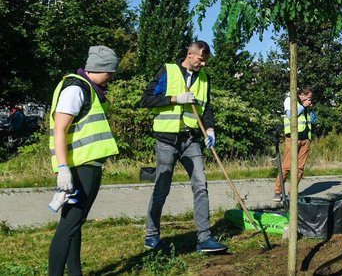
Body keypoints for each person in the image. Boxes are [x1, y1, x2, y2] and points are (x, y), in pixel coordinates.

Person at [139, 41, 227, 253]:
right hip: (167, 140)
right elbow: (146, 99)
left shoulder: (204, 79)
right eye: (201, 59)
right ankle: (151, 236)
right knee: (162, 187)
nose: (203, 64)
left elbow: (206, 107)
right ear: (190, 54)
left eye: (205, 61)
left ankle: (204, 238)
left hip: (191, 140)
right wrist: (175, 99)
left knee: (200, 185)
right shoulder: (168, 71)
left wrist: (210, 129)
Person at [48, 46, 120, 276]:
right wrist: (63, 168)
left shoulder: (91, 89)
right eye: (110, 72)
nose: (112, 76)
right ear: (99, 69)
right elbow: (60, 129)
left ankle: (75, 272)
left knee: (74, 224)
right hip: (79, 169)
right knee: (68, 227)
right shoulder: (76, 88)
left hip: (89, 166)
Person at [274, 86, 317, 200]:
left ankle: (291, 193)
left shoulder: (307, 106)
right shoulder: (290, 100)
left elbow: (311, 120)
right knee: (287, 167)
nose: (310, 100)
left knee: (300, 168)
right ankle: (278, 191)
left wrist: (311, 110)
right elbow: (290, 115)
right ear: (301, 95)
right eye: (308, 98)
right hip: (293, 138)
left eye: (311, 98)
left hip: (305, 139)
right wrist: (303, 106)